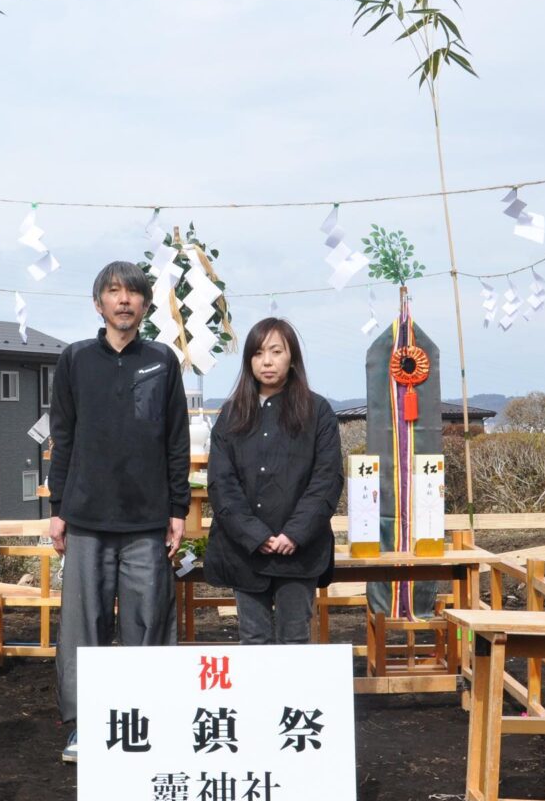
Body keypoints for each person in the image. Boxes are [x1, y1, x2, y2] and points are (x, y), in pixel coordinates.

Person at [48, 261, 190, 763]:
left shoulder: (162, 361)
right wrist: (58, 507)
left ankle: (148, 720)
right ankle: (82, 726)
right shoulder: (75, 360)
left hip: (147, 520)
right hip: (86, 516)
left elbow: (177, 439)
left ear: (146, 305)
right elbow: (63, 437)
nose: (124, 300)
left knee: (149, 623)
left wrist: (178, 508)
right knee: (81, 628)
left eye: (132, 292)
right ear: (98, 304)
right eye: (113, 291)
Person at [204, 318, 342, 645]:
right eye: (258, 353)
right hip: (246, 552)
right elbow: (222, 483)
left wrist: (294, 533)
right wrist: (255, 535)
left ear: (292, 358)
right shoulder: (231, 414)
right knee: (253, 639)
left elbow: (326, 479)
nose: (267, 361)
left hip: (299, 552)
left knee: (295, 638)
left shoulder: (317, 411)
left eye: (276, 352)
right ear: (248, 360)